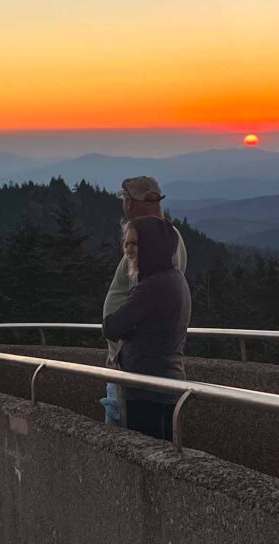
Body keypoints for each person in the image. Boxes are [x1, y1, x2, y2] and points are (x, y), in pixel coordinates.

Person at [101, 175, 187, 426]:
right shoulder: (162, 238)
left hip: (141, 369)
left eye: (125, 198)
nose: (129, 249)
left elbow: (141, 309)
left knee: (135, 439)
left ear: (129, 201)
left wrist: (119, 347)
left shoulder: (159, 250)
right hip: (137, 363)